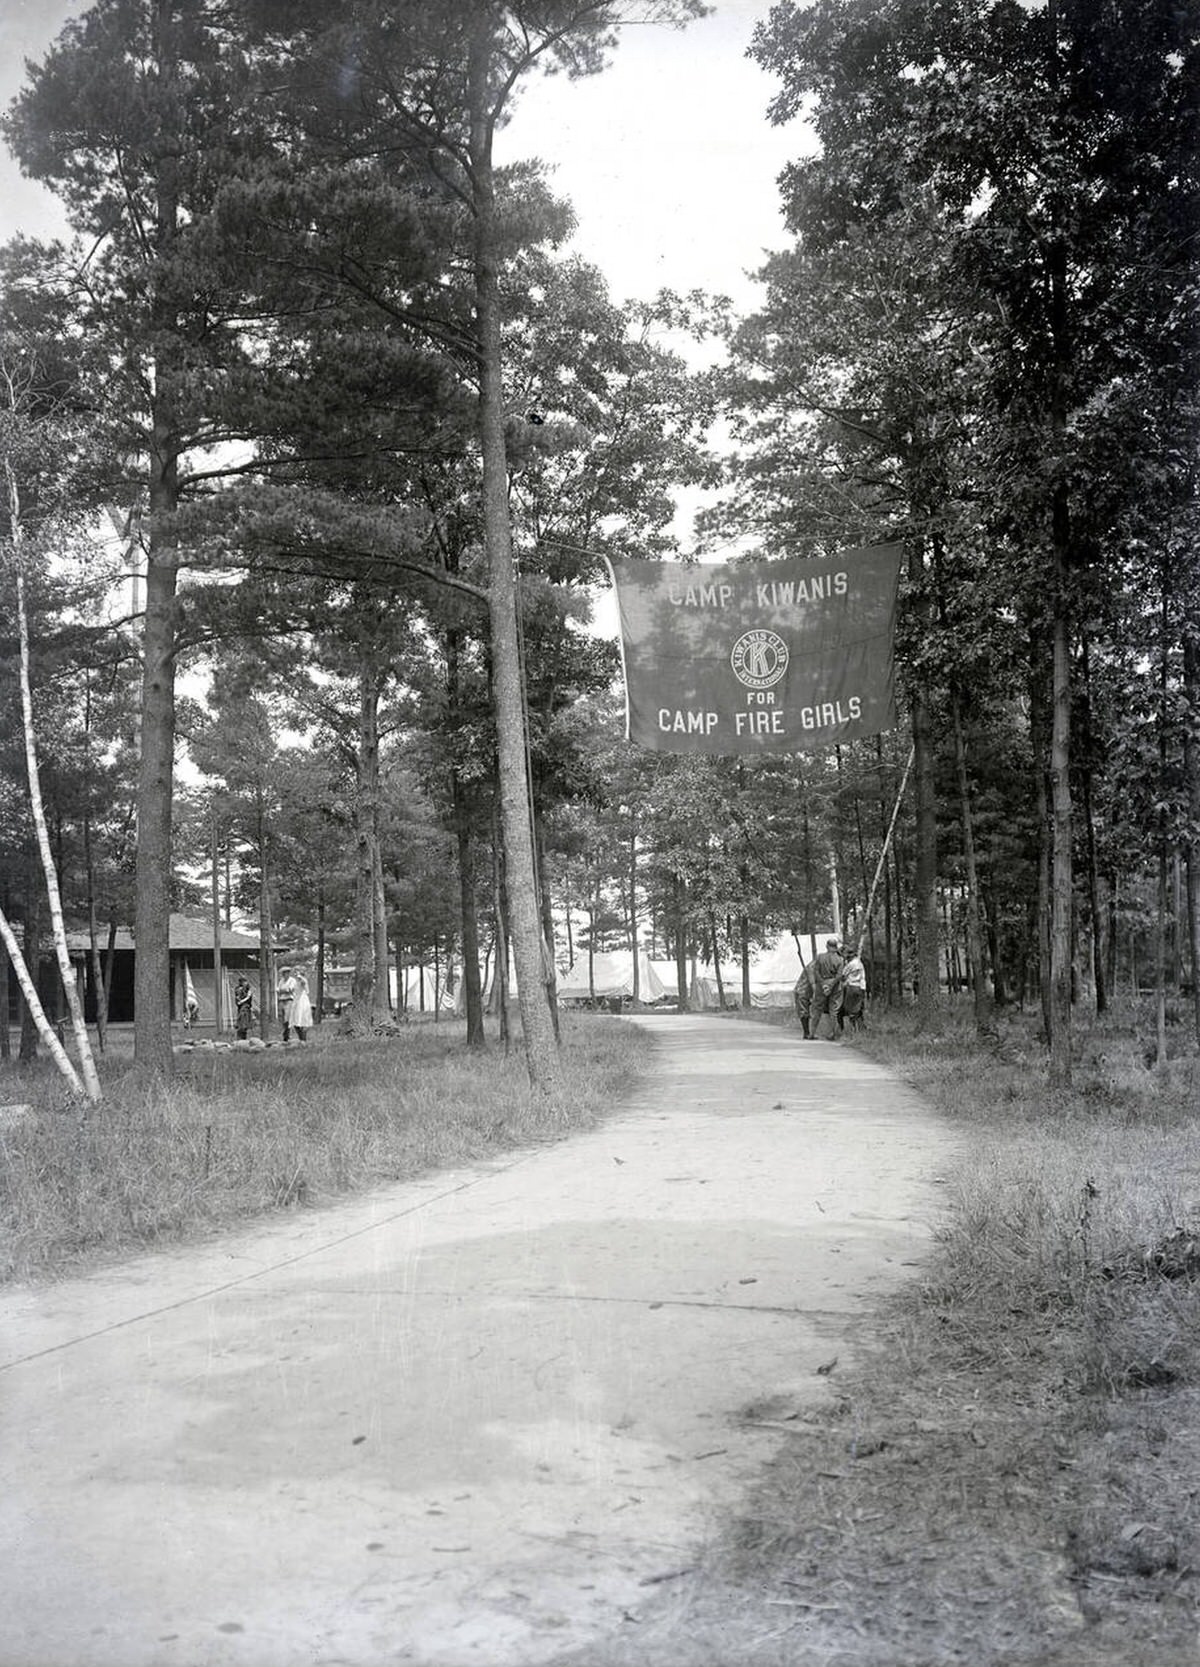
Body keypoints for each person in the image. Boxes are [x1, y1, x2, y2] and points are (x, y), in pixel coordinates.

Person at [810, 938, 845, 1037]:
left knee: (817, 1008)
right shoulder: (840, 959)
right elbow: (839, 975)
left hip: (821, 984)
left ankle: (812, 1033)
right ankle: (832, 1033)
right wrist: (830, 985)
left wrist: (823, 984)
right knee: (833, 1010)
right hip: (835, 986)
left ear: (827, 946)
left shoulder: (820, 957)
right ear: (836, 947)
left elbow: (816, 971)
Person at [838, 947, 867, 1034]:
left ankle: (852, 1030)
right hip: (861, 988)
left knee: (849, 1009)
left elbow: (843, 976)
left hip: (851, 987)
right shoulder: (860, 963)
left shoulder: (850, 965)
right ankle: (860, 1029)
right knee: (858, 1009)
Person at [793, 960, 816, 1039]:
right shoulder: (811, 968)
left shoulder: (813, 966)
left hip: (806, 992)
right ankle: (806, 1033)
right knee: (804, 1012)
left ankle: (808, 1033)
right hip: (802, 991)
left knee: (805, 1012)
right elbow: (812, 982)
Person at [290, 969, 313, 1043]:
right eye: (295, 972)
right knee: (295, 1021)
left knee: (302, 1020)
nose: (295, 974)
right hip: (296, 1001)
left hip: (302, 1001)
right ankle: (301, 1039)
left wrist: (300, 977)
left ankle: (303, 1039)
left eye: (297, 972)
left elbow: (306, 989)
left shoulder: (303, 981)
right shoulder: (295, 982)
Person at [277, 966, 297, 1041]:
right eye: (284, 973)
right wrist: (283, 990)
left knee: (287, 1018)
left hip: (289, 1000)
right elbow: (278, 990)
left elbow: (290, 989)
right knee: (282, 1018)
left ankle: (288, 1034)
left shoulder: (292, 980)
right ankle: (284, 1035)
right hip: (281, 1000)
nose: (285, 974)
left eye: (287, 972)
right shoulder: (281, 981)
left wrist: (282, 990)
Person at [233, 974, 253, 1041]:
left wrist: (242, 1001)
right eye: (242, 981)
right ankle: (240, 1038)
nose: (244, 983)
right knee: (240, 1023)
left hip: (246, 1007)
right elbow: (237, 997)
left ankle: (244, 1038)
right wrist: (239, 999)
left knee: (244, 1023)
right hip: (240, 1007)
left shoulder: (249, 989)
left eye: (245, 981)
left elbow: (248, 996)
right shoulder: (237, 989)